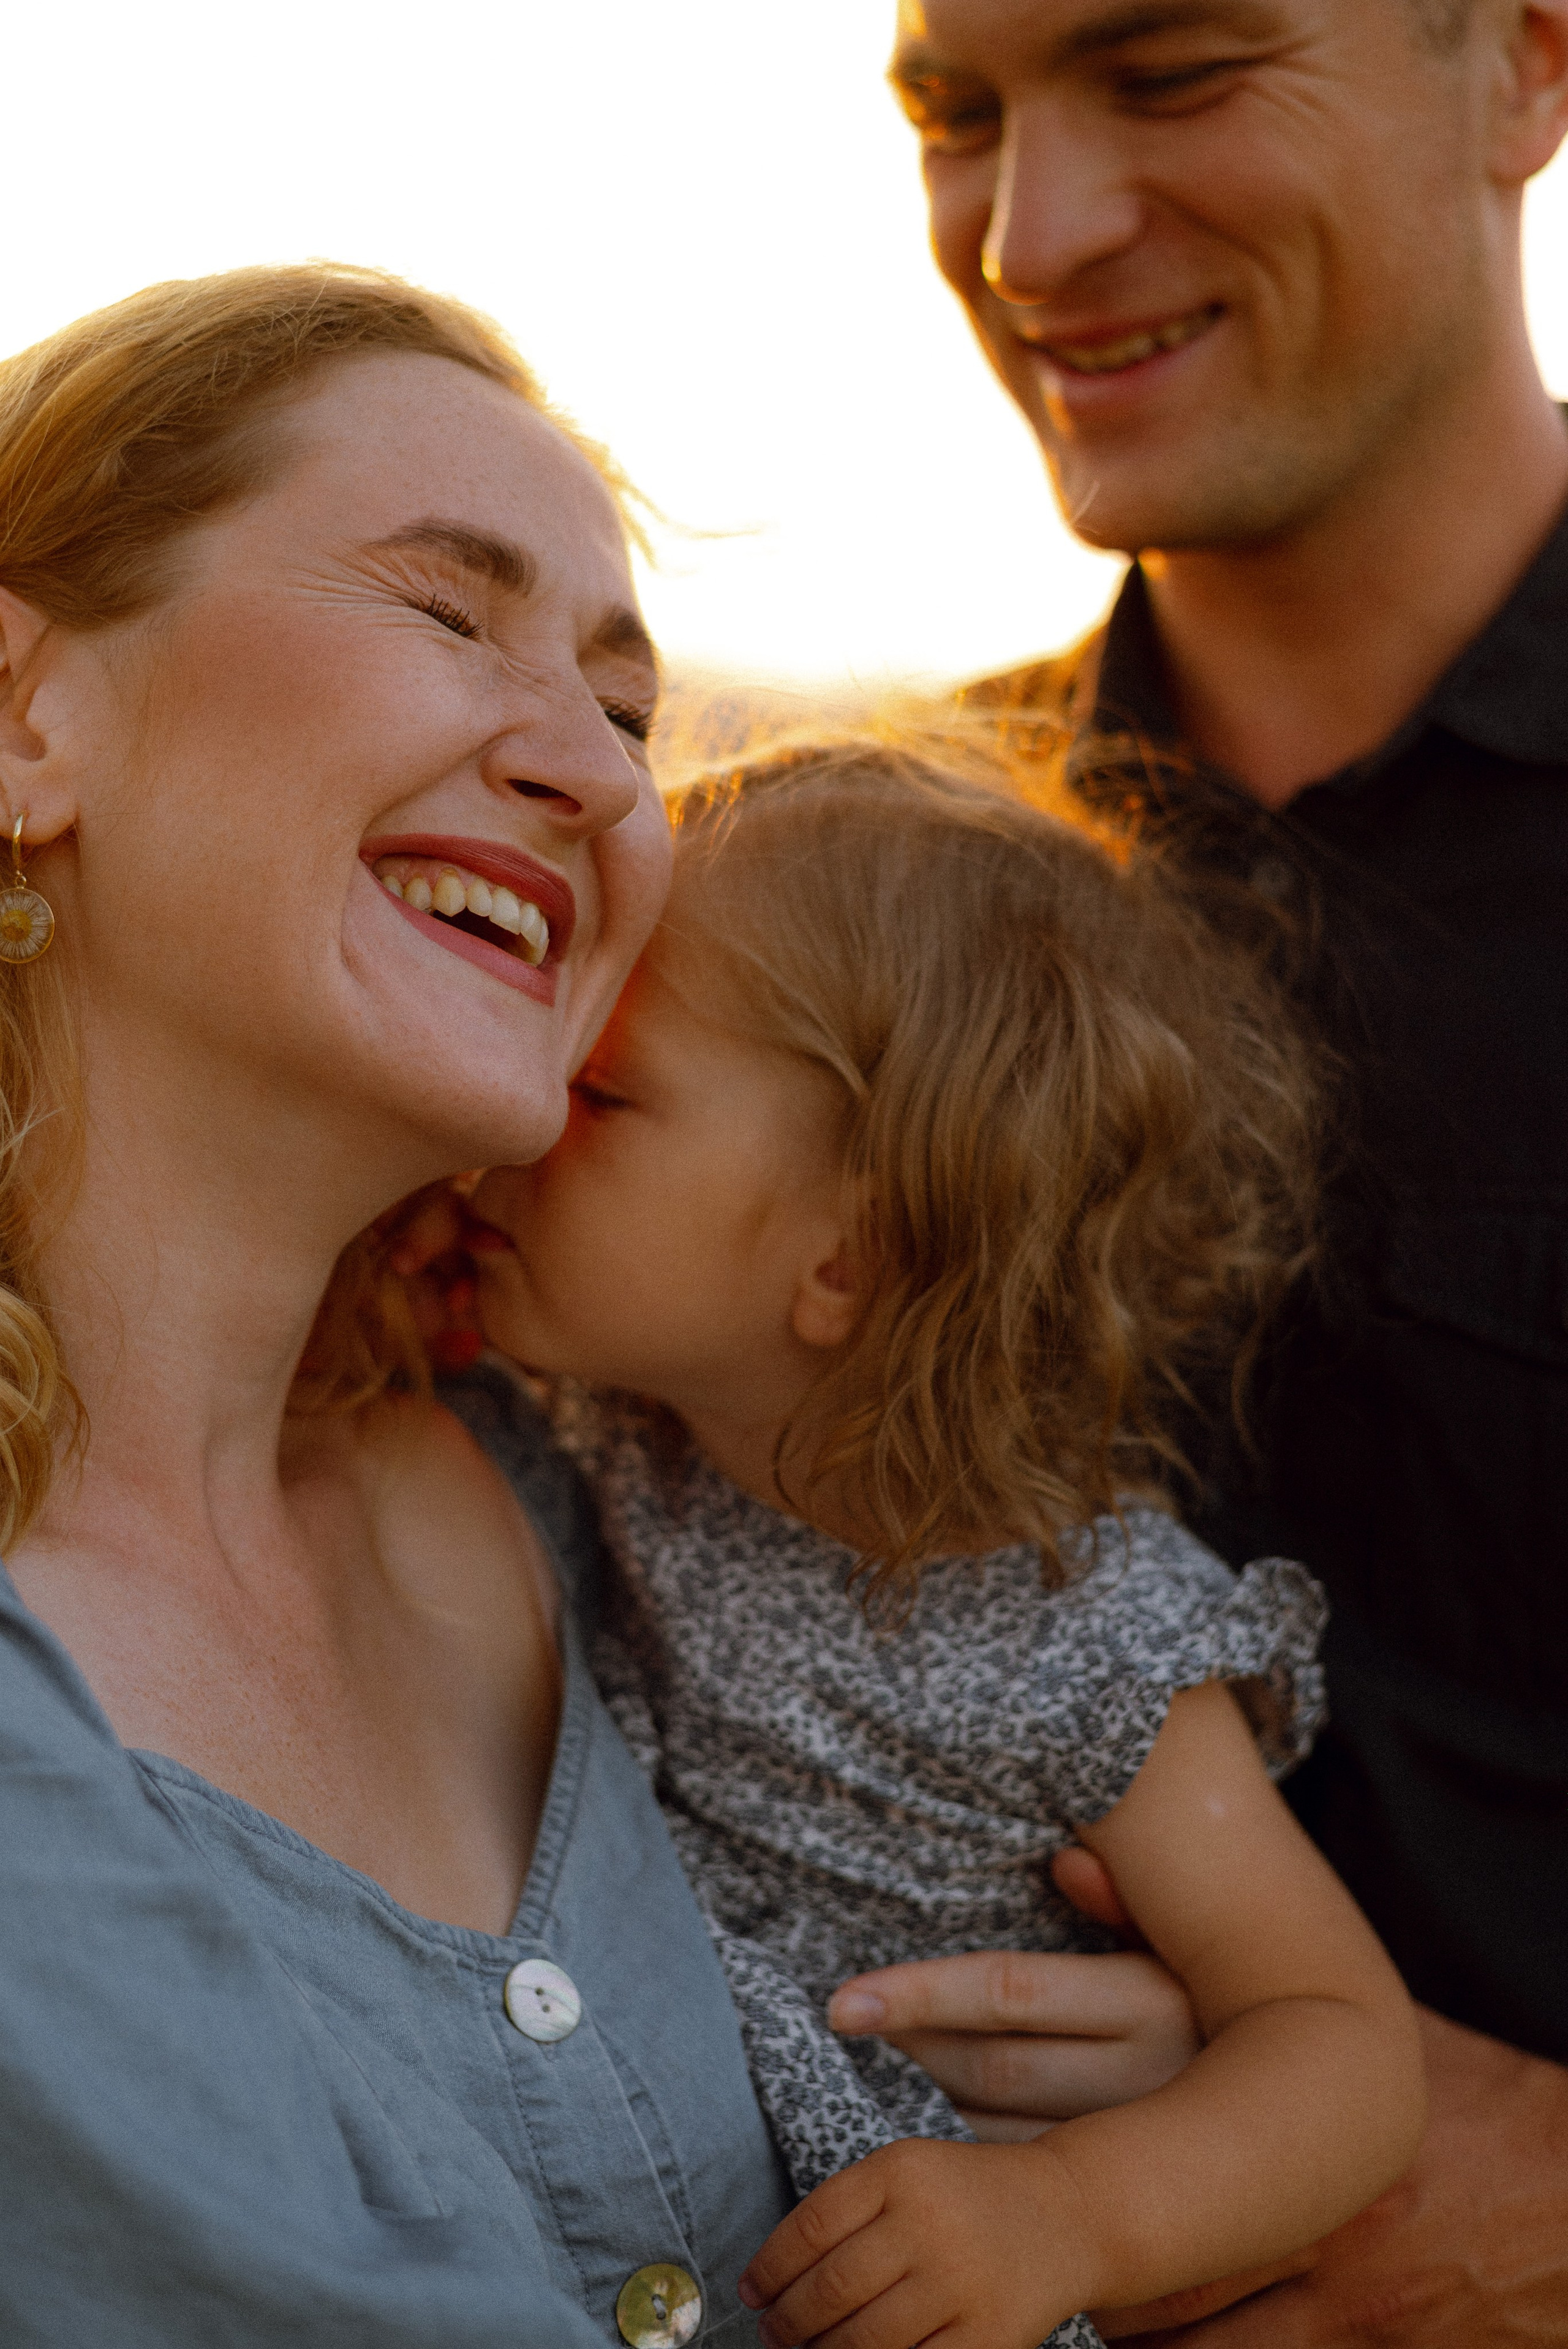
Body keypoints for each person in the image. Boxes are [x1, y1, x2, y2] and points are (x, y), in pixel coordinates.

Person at [0, 260, 802, 2345]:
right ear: (24, 720)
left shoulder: (576, 1487)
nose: (601, 777)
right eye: (449, 614)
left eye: (628, 715)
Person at [862, 0, 1568, 2338]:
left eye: (1172, 78)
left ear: (1530, 73)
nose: (1033, 236)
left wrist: (1527, 2195)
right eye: (954, 118)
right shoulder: (862, 904)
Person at [447, 737, 1424, 2349]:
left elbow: (1343, 2046)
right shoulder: (612, 1431)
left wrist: (1074, 2213)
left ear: (856, 1249)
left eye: (605, 1085)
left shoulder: (1088, 1632)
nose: (521, 1100)